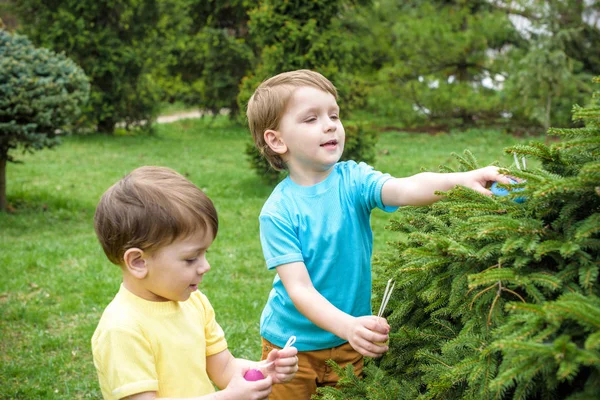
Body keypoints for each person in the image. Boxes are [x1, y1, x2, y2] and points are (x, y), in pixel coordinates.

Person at [246, 69, 511, 399]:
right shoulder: (278, 211)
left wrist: (463, 180)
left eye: (334, 115)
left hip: (348, 343)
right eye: (311, 119)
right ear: (276, 140)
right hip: (291, 347)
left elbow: (406, 187)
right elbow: (299, 290)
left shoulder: (353, 180)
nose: (330, 125)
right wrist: (349, 326)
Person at [91, 166, 298, 400]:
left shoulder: (194, 303)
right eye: (191, 258)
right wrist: (229, 397)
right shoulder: (122, 329)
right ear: (138, 262)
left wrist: (262, 370)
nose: (205, 266)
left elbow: (223, 368)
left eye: (205, 253)